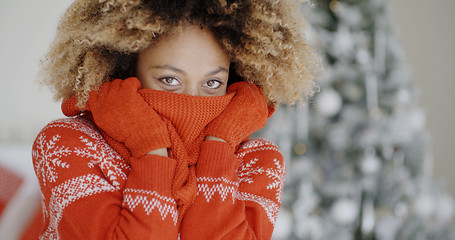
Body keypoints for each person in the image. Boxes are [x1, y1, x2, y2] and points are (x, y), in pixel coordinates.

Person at [31, 0, 319, 239]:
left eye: (212, 83)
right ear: (124, 67)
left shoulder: (257, 161)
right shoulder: (67, 145)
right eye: (169, 79)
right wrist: (149, 145)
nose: (192, 101)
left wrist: (219, 143)